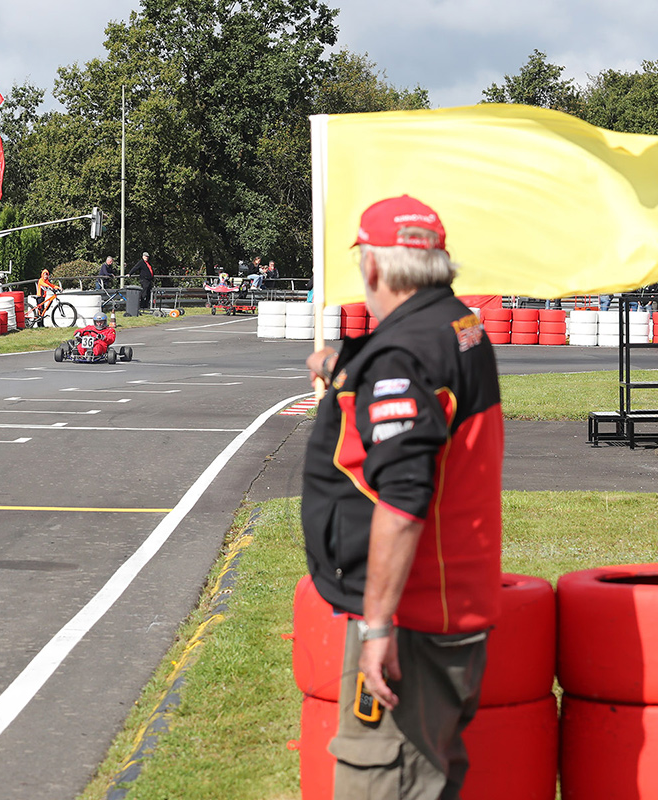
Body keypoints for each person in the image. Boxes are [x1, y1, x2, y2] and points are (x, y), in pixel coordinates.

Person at [301, 195, 503, 800]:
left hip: (410, 620)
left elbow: (404, 500)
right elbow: (415, 380)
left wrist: (379, 628)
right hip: (452, 602)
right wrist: (341, 364)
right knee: (429, 777)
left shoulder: (404, 357)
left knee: (382, 780)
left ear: (375, 267)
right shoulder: (458, 325)